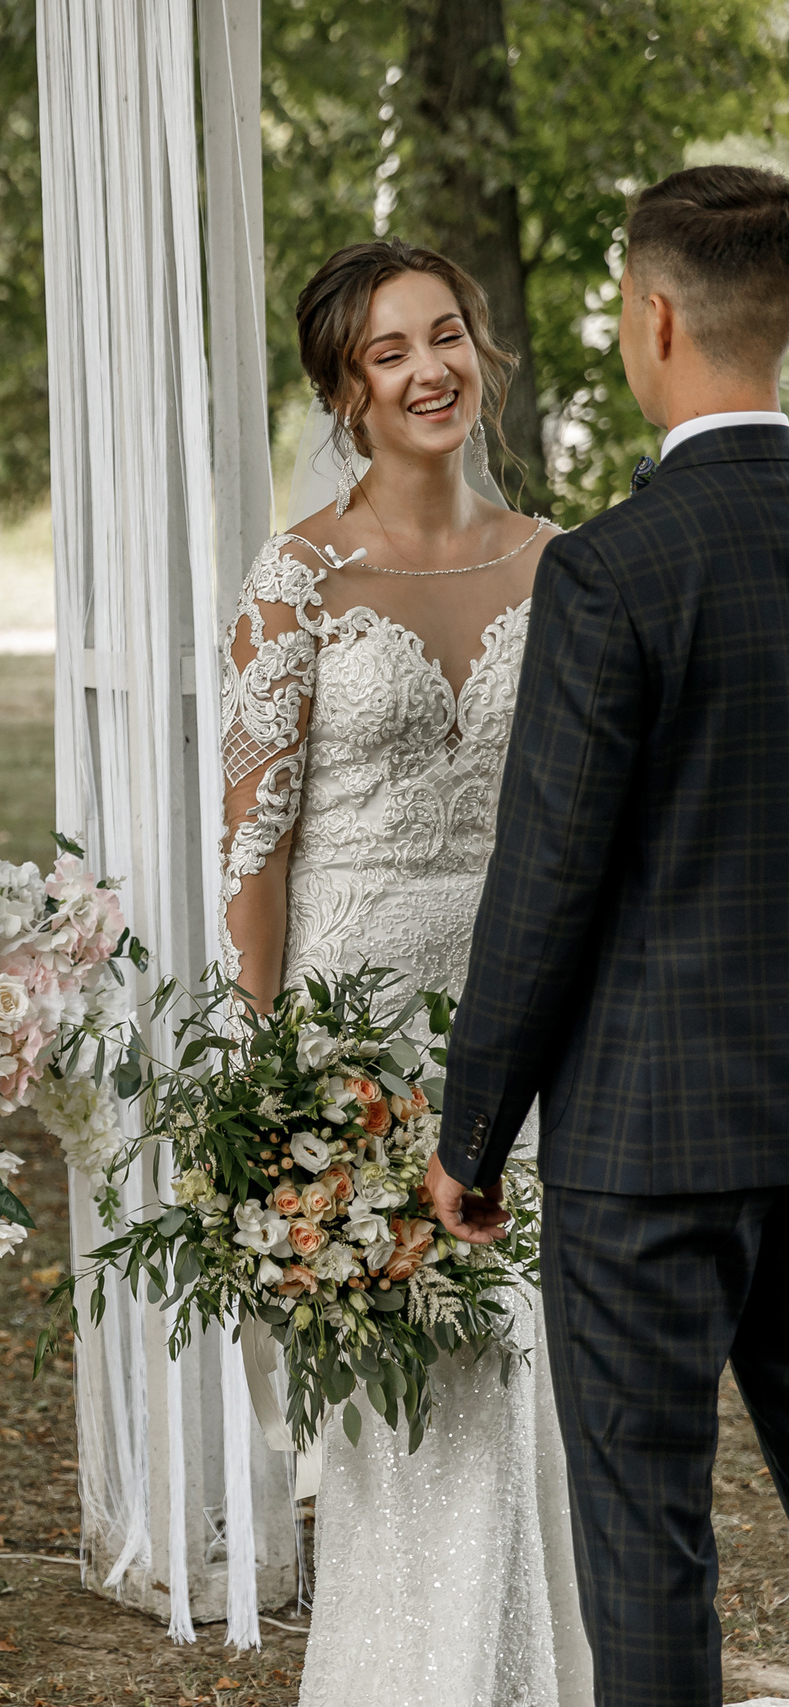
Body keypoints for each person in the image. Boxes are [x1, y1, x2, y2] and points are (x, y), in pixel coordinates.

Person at [432, 164, 789, 1707]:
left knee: (648, 1544)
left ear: (652, 319)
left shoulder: (613, 569)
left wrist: (472, 1129)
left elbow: (548, 881)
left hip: (648, 1142)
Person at [217, 240, 591, 1707]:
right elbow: (254, 842)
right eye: (390, 351)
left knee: (513, 1352)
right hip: (351, 1019)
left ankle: (531, 1674)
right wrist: (267, 1072)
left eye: (447, 336)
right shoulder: (298, 573)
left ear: (480, 356)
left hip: (514, 1004)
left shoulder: (561, 563)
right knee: (403, 1377)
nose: (430, 368)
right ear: (344, 391)